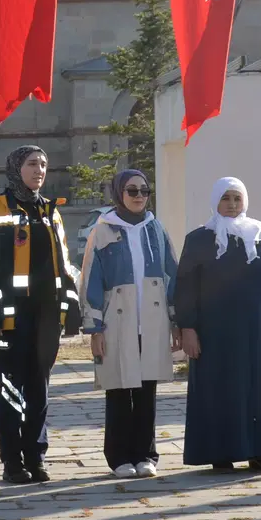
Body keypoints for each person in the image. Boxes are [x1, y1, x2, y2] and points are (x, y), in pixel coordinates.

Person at [175, 178, 261, 473]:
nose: (232, 205)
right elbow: (185, 287)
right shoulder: (199, 239)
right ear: (215, 201)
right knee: (221, 389)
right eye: (226, 199)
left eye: (237, 198)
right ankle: (222, 452)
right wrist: (188, 328)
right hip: (216, 333)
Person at [0, 145, 82, 484]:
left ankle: (36, 456)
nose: (39, 169)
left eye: (44, 164)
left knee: (40, 388)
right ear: (15, 167)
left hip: (46, 318)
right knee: (10, 388)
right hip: (7, 319)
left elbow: (63, 264)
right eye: (32, 163)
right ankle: (12, 462)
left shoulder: (50, 211)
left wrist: (71, 304)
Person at [80, 169, 179, 480]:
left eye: (144, 191)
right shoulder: (104, 229)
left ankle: (146, 454)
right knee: (119, 389)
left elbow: (172, 274)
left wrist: (176, 319)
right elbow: (90, 279)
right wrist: (94, 328)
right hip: (116, 322)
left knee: (147, 390)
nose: (139, 196)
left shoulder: (155, 228)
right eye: (132, 190)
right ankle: (120, 456)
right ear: (118, 193)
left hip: (151, 321)